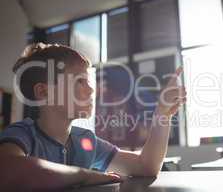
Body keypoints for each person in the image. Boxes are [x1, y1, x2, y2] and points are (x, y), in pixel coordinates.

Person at [0, 43, 186, 191]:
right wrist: (85, 175)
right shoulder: (21, 135)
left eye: (88, 82)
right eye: (80, 81)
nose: (91, 89)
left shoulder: (85, 141)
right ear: (43, 91)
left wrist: (162, 114)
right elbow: (9, 170)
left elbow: (146, 166)